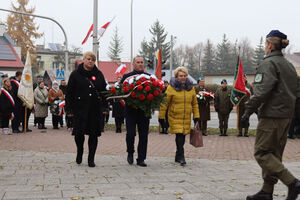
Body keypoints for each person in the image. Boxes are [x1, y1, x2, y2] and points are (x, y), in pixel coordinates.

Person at [242, 30, 300, 200]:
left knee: (262, 153)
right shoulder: (289, 66)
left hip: (271, 116)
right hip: (286, 117)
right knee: (274, 155)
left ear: (269, 45)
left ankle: (293, 183)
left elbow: (260, 92)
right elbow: (298, 93)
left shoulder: (268, 64)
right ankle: (267, 191)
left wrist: (248, 110)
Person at [66, 51, 107, 167]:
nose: (90, 61)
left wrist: (104, 106)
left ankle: (91, 158)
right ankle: (79, 152)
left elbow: (104, 92)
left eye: (93, 60)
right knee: (79, 134)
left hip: (94, 109)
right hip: (79, 109)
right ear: (83, 59)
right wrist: (69, 109)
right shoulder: (75, 74)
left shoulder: (99, 74)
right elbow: (69, 93)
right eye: (88, 59)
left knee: (93, 135)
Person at [159, 67, 199, 165]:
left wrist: (196, 116)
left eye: (185, 76)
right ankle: (181, 155)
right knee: (179, 134)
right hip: (174, 115)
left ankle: (178, 154)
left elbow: (194, 104)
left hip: (186, 116)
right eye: (181, 76)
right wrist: (161, 117)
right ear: (176, 77)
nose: (183, 77)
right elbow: (164, 103)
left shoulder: (191, 88)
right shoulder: (171, 88)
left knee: (183, 135)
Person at [120, 56, 151, 167]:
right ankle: (130, 152)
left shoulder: (149, 77)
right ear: (133, 64)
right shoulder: (127, 77)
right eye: (138, 62)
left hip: (144, 111)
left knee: (143, 136)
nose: (140, 64)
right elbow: (121, 91)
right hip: (130, 110)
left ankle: (141, 158)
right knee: (131, 134)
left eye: (142, 62)